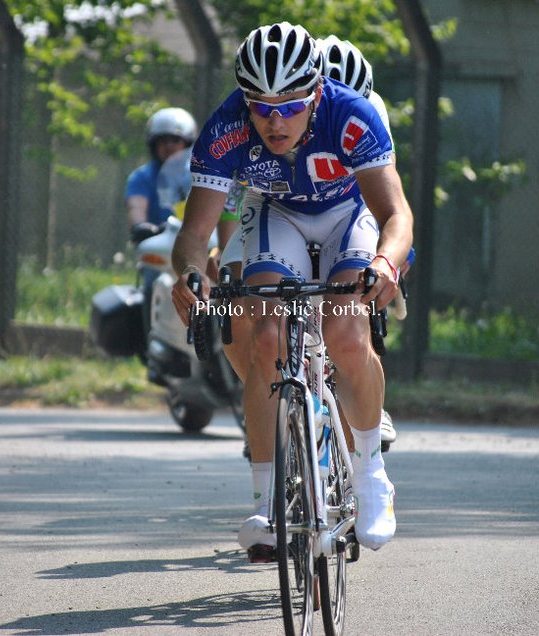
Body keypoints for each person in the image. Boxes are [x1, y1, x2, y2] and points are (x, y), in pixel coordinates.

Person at [171, 22, 413, 560]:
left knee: (348, 332)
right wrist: (189, 274)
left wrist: (384, 262)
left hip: (348, 216)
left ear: (317, 92)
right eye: (260, 106)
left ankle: (372, 472)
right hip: (275, 213)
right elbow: (194, 234)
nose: (274, 121)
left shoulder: (351, 115)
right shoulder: (226, 127)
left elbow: (395, 213)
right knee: (265, 337)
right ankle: (269, 503)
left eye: (290, 105)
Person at [125, 107, 198, 345]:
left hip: (197, 245)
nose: (169, 146)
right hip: (163, 246)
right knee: (152, 280)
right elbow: (136, 208)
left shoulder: (200, 174)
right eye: (162, 140)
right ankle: (151, 342)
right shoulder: (142, 177)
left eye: (175, 140)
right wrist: (141, 226)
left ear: (187, 142)